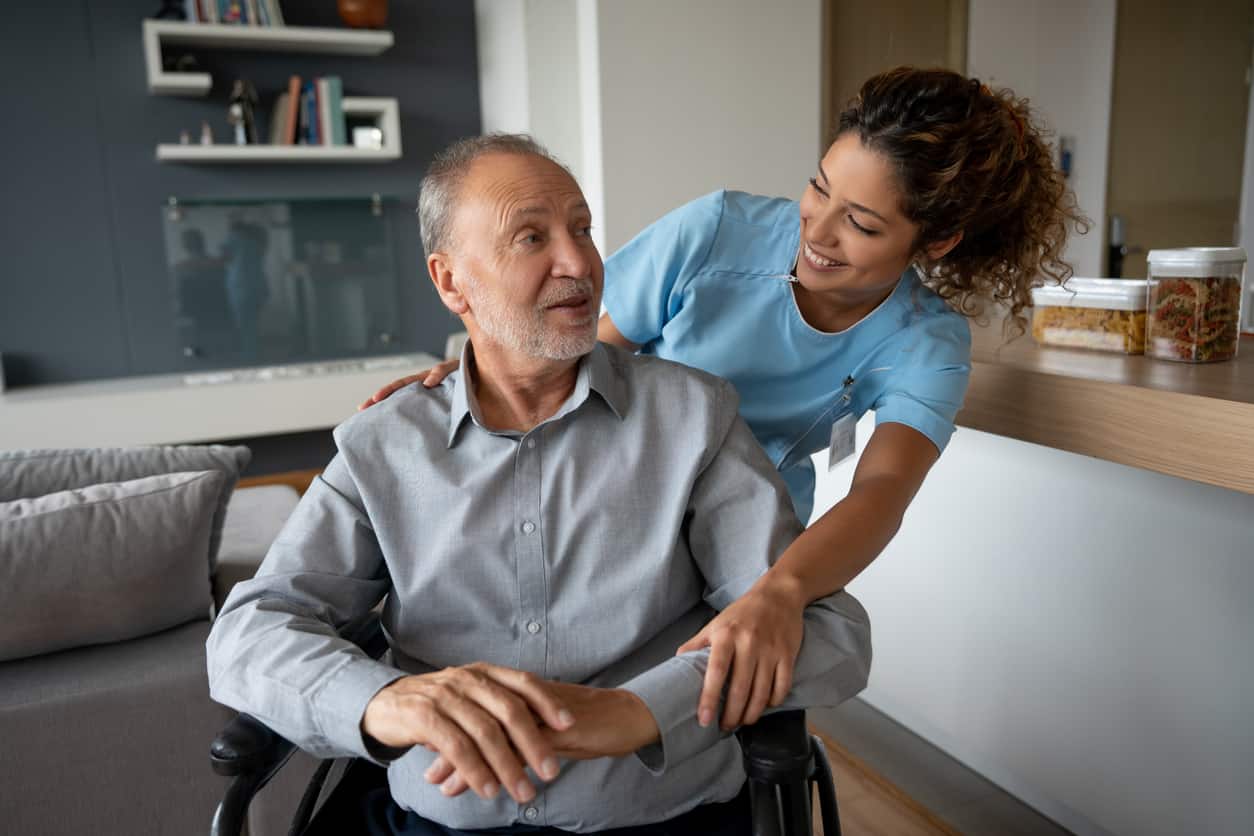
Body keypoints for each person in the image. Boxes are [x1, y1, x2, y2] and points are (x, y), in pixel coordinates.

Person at [362, 67, 1087, 732]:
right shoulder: (717, 233)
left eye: (862, 224)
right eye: (819, 188)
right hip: (615, 501)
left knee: (758, 665)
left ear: (936, 242)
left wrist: (781, 589)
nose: (820, 232)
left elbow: (883, 489)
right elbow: (579, 352)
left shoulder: (925, 341)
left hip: (745, 543)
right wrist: (468, 380)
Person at [207, 134, 872, 836]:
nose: (579, 261)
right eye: (532, 237)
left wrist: (643, 710)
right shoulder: (385, 443)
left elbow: (827, 629)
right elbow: (248, 631)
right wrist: (386, 702)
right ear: (451, 281)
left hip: (663, 820)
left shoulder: (693, 419)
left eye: (582, 228)